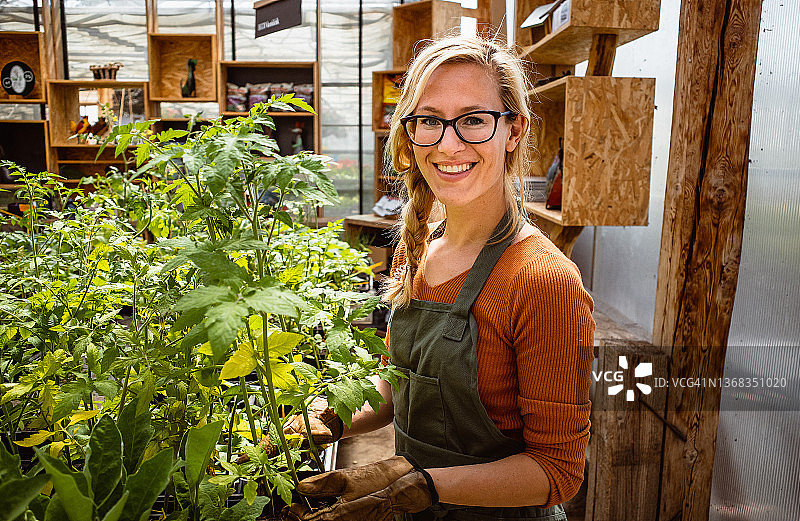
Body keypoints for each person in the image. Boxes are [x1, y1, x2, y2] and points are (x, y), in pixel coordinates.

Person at [285, 35, 595, 521]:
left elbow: (557, 471)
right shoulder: (417, 247)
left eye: (474, 119)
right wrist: (327, 419)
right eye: (429, 120)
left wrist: (425, 485)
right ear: (409, 133)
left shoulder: (542, 281)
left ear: (513, 131)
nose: (449, 144)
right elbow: (399, 383)